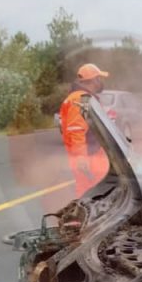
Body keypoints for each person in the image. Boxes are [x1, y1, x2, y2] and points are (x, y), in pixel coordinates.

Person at [59, 63, 111, 196]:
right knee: (88, 193)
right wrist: (81, 157)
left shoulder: (82, 97)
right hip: (88, 158)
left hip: (91, 155)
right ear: (94, 80)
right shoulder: (82, 99)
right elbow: (76, 129)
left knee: (96, 191)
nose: (101, 82)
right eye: (100, 78)